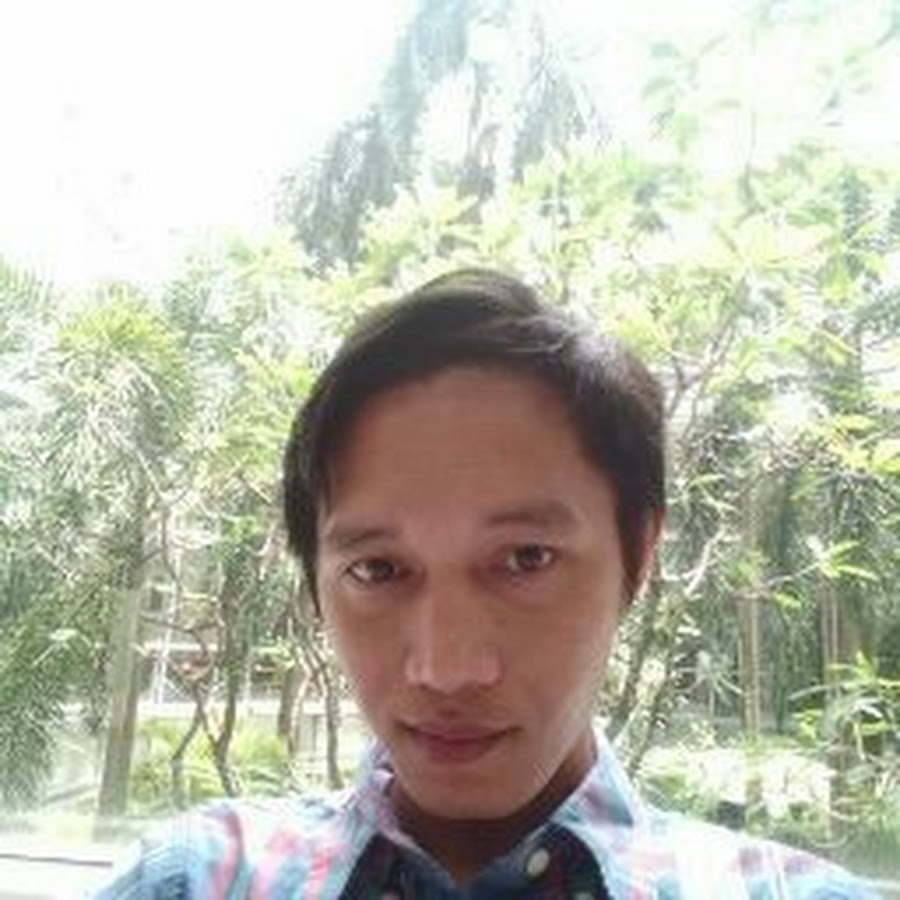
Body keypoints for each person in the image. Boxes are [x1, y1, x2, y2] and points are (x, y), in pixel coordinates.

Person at [94, 270, 874, 898]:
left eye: (526, 559)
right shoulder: (194, 881)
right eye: (377, 569)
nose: (447, 669)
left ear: (637, 553)